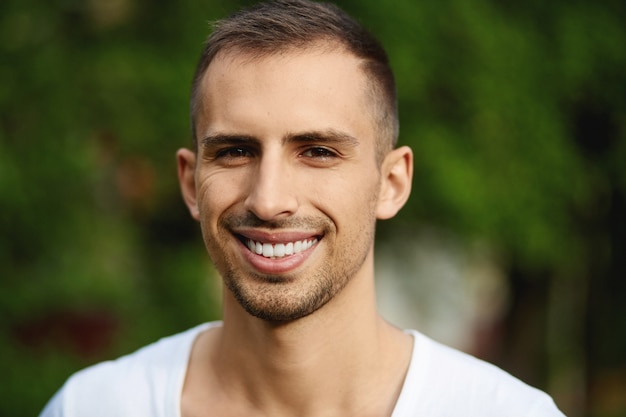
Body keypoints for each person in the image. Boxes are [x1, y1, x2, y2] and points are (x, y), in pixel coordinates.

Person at [40, 1, 566, 416]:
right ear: (190, 182)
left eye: (318, 151)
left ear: (391, 183)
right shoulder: (94, 407)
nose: (269, 200)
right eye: (235, 151)